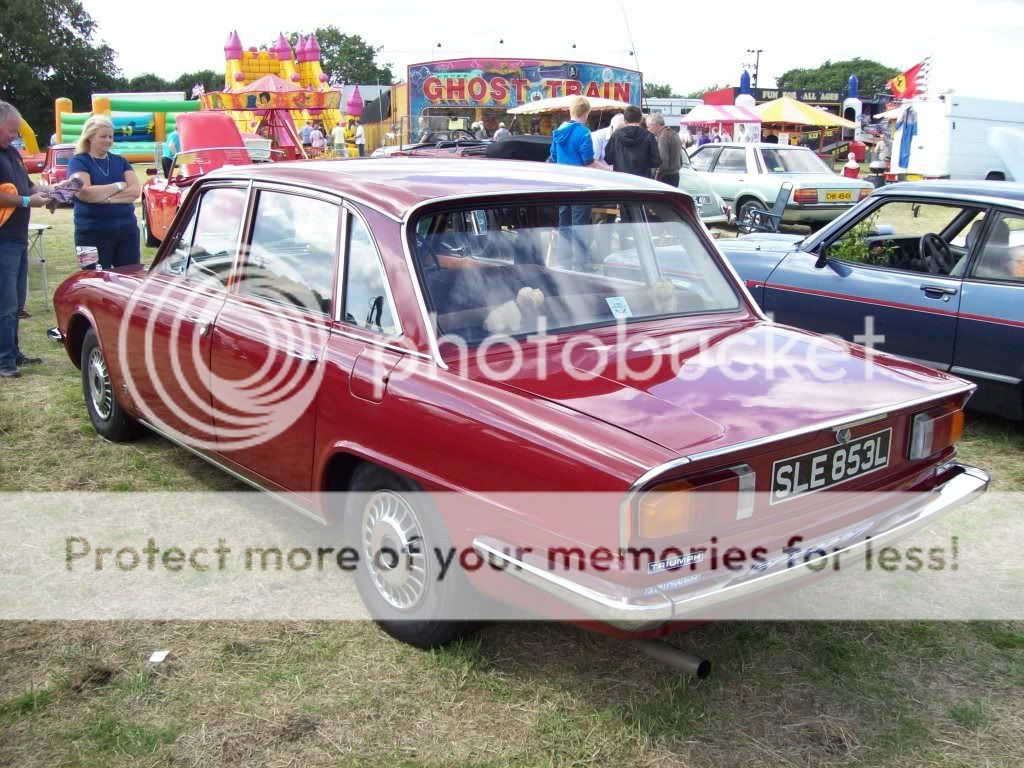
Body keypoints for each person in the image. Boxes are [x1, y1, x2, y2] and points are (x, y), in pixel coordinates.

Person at [0, 101, 48, 378]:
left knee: (16, 301)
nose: (15, 136)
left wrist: (51, 192)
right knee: (5, 302)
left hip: (18, 236)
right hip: (4, 238)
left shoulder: (14, 154)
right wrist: (30, 200)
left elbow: (28, 184)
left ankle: (13, 351)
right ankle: (5, 360)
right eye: (11, 131)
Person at [66, 115, 141, 271]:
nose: (108, 140)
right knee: (91, 278)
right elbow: (84, 193)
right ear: (90, 137)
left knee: (130, 277)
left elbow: (135, 191)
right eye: (103, 136)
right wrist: (119, 185)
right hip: (89, 234)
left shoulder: (121, 161)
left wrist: (105, 199)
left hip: (127, 231)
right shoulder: (77, 162)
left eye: (110, 136)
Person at [549, 96, 601, 271]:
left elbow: (554, 157)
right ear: (586, 113)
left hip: (562, 184)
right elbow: (588, 161)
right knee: (580, 226)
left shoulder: (558, 131)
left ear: (571, 111)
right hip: (581, 185)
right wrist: (608, 169)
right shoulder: (584, 132)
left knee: (564, 224)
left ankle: (563, 263)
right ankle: (580, 266)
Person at [603, 105, 661, 179]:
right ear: (640, 119)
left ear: (625, 120)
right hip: (643, 180)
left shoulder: (616, 135)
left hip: (621, 179)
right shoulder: (649, 136)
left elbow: (608, 159)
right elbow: (656, 161)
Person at [647, 113, 682, 188]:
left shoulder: (663, 137)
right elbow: (680, 160)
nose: (648, 129)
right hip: (675, 175)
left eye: (649, 126)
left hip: (666, 177)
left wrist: (656, 179)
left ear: (655, 126)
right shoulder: (675, 134)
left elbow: (662, 163)